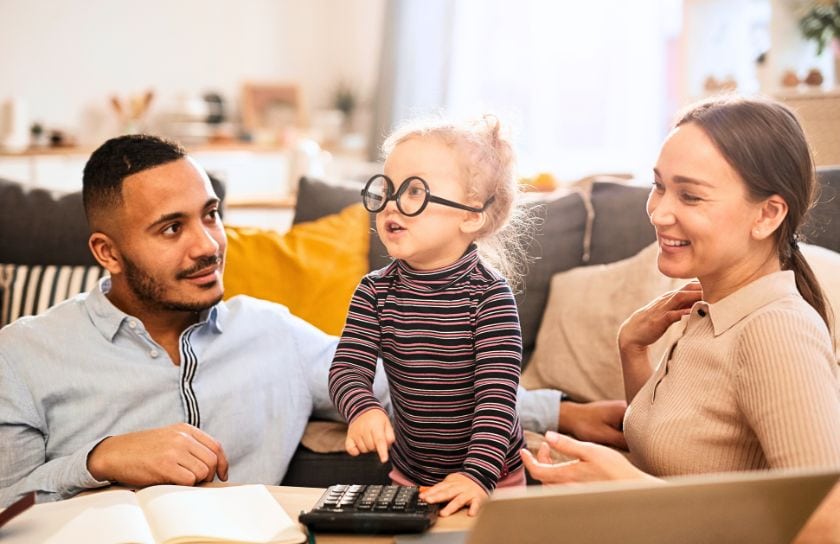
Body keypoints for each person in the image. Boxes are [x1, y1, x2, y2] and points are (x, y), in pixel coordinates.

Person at [0, 134, 623, 509]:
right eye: (171, 229)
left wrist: (561, 412)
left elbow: (414, 385)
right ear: (107, 253)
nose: (208, 245)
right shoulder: (25, 354)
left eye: (211, 215)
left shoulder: (272, 333)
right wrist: (100, 459)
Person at [521, 95, 840, 486]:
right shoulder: (711, 312)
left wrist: (625, 488)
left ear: (767, 214)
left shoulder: (776, 330)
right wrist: (632, 349)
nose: (658, 213)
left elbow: (826, 513)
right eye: (659, 186)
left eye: (690, 196)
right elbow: (671, 453)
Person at [329, 115, 532, 517]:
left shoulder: (490, 298)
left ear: (471, 214)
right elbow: (347, 368)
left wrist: (477, 475)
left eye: (415, 191)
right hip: (411, 475)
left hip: (494, 480)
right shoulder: (374, 292)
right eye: (387, 190)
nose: (391, 204)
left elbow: (496, 401)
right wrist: (363, 408)